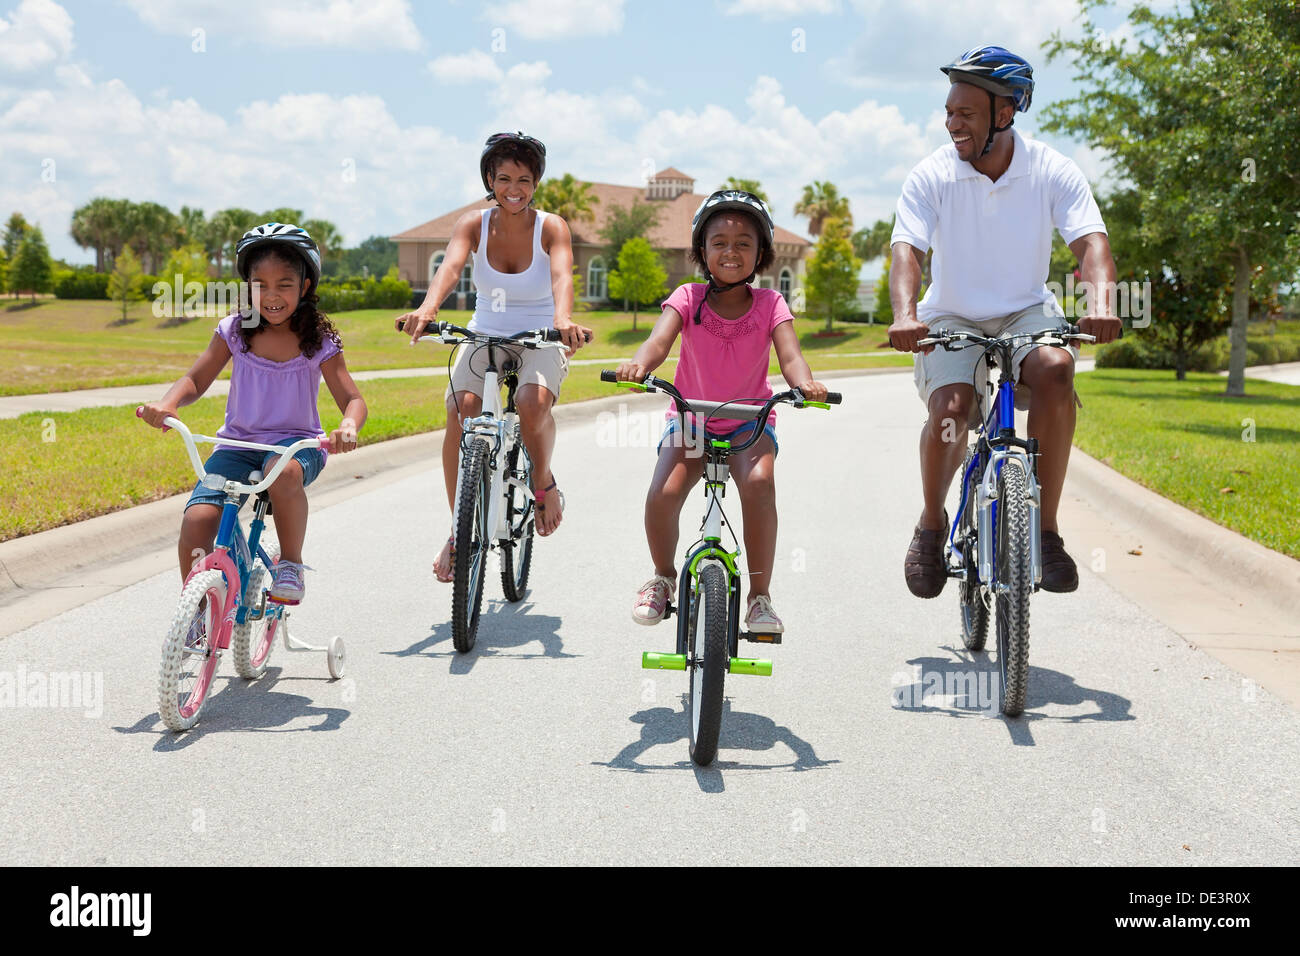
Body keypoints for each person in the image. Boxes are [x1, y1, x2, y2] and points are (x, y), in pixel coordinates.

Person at [887, 46, 1122, 598]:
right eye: (948, 112)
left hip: (1025, 309)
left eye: (965, 113)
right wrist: (905, 314)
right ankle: (930, 523)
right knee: (952, 408)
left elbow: (1091, 243)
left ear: (1005, 112)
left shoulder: (1050, 169)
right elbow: (907, 251)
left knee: (1056, 372)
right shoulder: (932, 174)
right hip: (951, 313)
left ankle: (1045, 532)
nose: (952, 124)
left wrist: (1104, 302)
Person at [615, 190, 829, 634]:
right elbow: (658, 342)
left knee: (760, 485)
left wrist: (803, 384)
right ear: (702, 250)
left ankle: (759, 598)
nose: (731, 251)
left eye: (743, 243)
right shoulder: (688, 298)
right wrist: (639, 364)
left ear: (761, 254)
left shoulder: (771, 304)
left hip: (750, 425)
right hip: (692, 420)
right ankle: (663, 576)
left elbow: (790, 357)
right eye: (720, 242)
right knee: (663, 494)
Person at [395, 132, 592, 583]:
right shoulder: (473, 223)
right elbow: (450, 267)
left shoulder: (551, 226)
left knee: (531, 403)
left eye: (524, 179)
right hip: (486, 331)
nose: (514, 188)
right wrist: (428, 310)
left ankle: (542, 481)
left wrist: (563, 319)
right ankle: (457, 532)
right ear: (490, 179)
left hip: (541, 332)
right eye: (504, 178)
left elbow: (562, 275)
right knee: (459, 411)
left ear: (536, 182)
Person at [140, 223, 368, 605]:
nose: (271, 295)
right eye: (260, 284)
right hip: (236, 445)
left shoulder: (319, 341)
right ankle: (196, 614)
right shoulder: (234, 330)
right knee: (197, 522)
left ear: (305, 287)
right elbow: (196, 379)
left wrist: (348, 425)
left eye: (284, 284)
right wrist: (169, 403)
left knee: (281, 471)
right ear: (246, 286)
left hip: (296, 448)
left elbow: (353, 399)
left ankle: (291, 564)